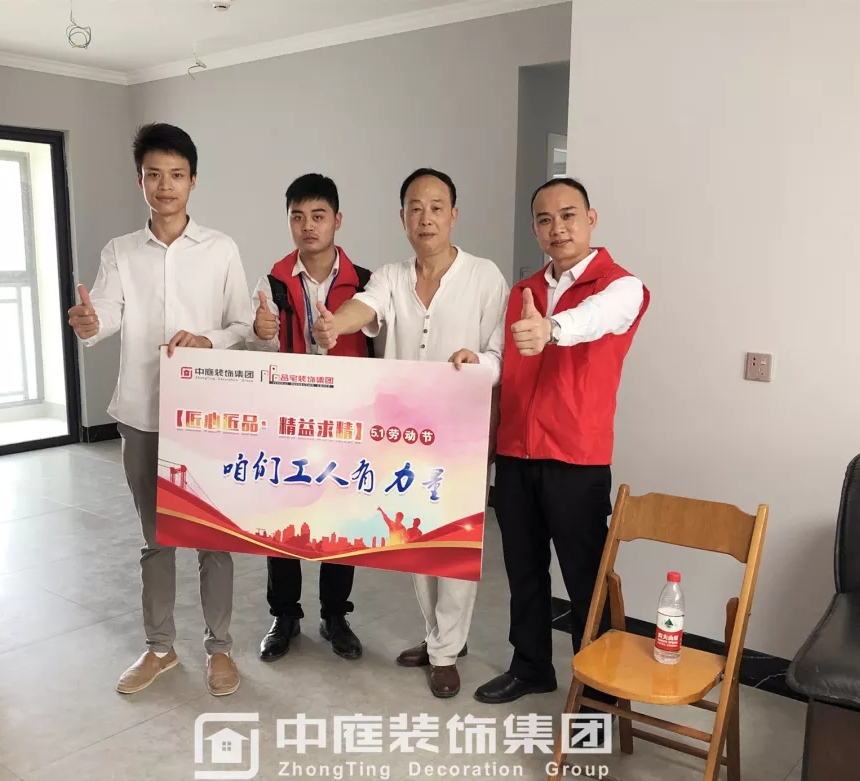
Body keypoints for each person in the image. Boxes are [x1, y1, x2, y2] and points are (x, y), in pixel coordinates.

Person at [67, 123, 253, 697]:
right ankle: (160, 647)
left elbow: (243, 323)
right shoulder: (120, 251)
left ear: (193, 181)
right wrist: (91, 323)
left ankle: (220, 649)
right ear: (140, 181)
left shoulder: (221, 249)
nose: (165, 186)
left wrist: (207, 340)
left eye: (176, 175)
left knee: (213, 537)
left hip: (205, 416)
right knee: (156, 538)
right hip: (143, 412)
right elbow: (106, 312)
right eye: (154, 175)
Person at [311, 168, 508, 698]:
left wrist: (479, 363)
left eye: (436, 207)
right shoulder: (392, 276)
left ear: (454, 215)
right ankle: (438, 636)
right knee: (416, 538)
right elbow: (366, 307)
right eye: (415, 208)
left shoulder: (485, 277)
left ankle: (446, 651)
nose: (426, 218)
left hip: (461, 433)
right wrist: (334, 323)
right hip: (402, 436)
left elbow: (499, 354)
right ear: (402, 218)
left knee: (455, 544)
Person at [475, 177, 649, 719]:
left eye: (568, 215)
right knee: (523, 570)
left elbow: (594, 320)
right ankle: (531, 666)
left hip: (577, 459)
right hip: (516, 455)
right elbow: (503, 357)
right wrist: (475, 364)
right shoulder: (523, 290)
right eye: (545, 219)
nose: (558, 228)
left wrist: (550, 328)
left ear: (591, 219)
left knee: (586, 580)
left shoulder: (621, 287)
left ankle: (600, 695)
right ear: (535, 228)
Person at [247, 173, 371, 663]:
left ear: (338, 220)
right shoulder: (273, 282)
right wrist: (261, 332)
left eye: (318, 216)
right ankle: (285, 615)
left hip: (347, 419)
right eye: (297, 217)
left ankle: (335, 615)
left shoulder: (366, 282)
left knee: (342, 516)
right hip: (287, 418)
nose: (308, 226)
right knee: (284, 519)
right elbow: (259, 349)